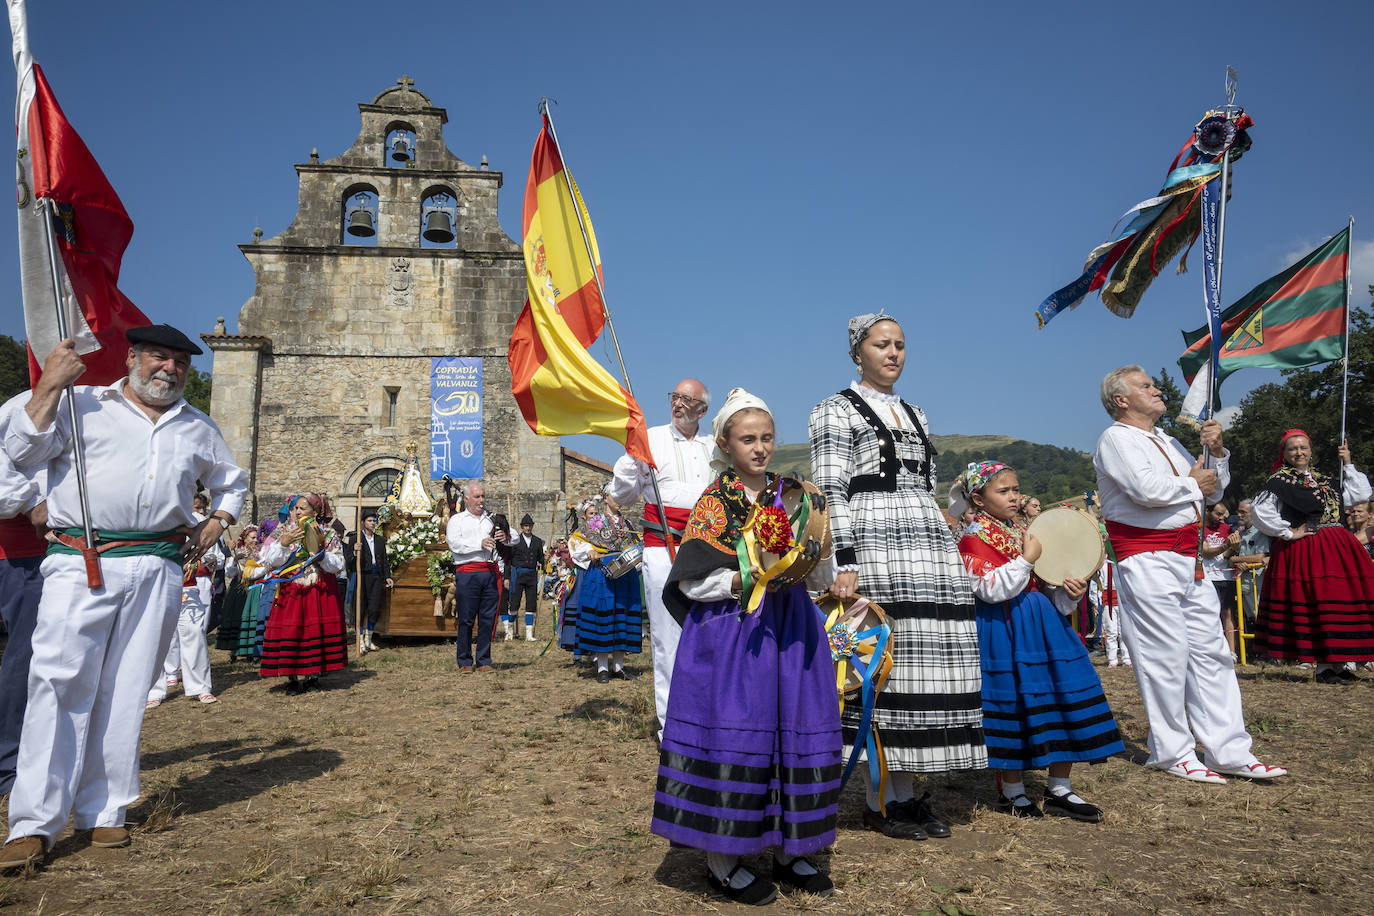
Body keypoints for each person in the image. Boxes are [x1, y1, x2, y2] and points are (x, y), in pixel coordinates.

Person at [1, 329, 247, 870]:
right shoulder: (79, 402)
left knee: (127, 686)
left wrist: (219, 519)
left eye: (181, 362)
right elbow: (15, 451)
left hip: (158, 566)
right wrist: (47, 388)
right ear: (132, 358)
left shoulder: (197, 426)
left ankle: (104, 809)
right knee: (58, 681)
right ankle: (33, 824)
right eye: (160, 356)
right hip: (80, 560)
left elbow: (233, 483)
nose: (170, 368)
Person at [652, 390, 839, 905]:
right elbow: (691, 582)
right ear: (727, 445)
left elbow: (818, 561)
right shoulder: (716, 503)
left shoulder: (796, 496)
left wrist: (825, 573)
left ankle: (790, 849)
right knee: (740, 732)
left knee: (792, 726)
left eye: (766, 438)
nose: (759, 448)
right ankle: (722, 860)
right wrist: (744, 576)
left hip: (792, 625)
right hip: (736, 631)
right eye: (747, 439)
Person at [808, 313, 984, 841]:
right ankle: (880, 799)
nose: (893, 353)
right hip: (875, 540)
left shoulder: (916, 412)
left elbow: (925, 484)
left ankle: (907, 795)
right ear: (856, 352)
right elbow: (829, 489)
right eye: (881, 344)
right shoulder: (834, 409)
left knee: (922, 663)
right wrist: (843, 561)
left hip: (925, 543)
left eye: (900, 345)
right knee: (884, 662)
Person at [1093, 365, 1284, 784]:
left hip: (1187, 557)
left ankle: (1229, 749)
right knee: (1165, 655)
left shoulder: (1169, 440)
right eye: (1147, 386)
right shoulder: (1116, 439)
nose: (1158, 390)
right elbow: (1146, 491)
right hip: (1146, 556)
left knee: (1211, 652)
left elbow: (1212, 489)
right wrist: (1192, 480)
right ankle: (1172, 750)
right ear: (1121, 400)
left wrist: (1217, 453)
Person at [951, 461, 1123, 822]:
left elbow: (1047, 587)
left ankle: (1060, 788)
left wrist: (1070, 594)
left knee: (1062, 696)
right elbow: (990, 589)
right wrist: (1027, 561)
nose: (1014, 496)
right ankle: (1012, 791)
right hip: (1003, 628)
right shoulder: (971, 540)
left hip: (1043, 622)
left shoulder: (1026, 531)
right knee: (1015, 703)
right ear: (979, 499)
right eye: (1004, 491)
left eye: (1016, 489)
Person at [606, 378, 714, 739]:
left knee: (708, 633)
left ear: (703, 409)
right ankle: (672, 727)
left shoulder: (716, 447)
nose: (678, 404)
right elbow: (623, 496)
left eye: (687, 399)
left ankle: (707, 718)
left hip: (706, 550)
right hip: (660, 548)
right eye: (674, 397)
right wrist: (625, 467)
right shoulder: (649, 438)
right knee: (667, 637)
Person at [1250, 431, 1374, 683]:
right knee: (1318, 601)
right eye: (1293, 449)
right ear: (1284, 454)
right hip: (1308, 550)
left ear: (1311, 449)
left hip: (1339, 548)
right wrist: (1288, 532)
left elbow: (1360, 495)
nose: (1299, 453)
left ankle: (1338, 663)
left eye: (1303, 447)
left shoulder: (1325, 479)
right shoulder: (1279, 481)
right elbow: (1260, 512)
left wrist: (1348, 462)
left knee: (1341, 599)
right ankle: (1324, 666)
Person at [258, 494, 348, 693]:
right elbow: (270, 560)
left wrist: (320, 556)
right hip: (291, 589)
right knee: (292, 630)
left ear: (315, 512)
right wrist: (283, 543)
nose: (297, 512)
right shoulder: (282, 532)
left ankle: (312, 676)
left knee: (313, 631)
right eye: (296, 508)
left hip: (319, 588)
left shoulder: (328, 534)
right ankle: (291, 677)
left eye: (303, 508)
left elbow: (339, 564)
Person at [0, 403, 45, 799]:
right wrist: (33, 504)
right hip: (23, 553)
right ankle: (8, 765)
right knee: (26, 656)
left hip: (78, 551)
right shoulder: (17, 408)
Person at [147, 496, 224, 708]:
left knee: (194, 633)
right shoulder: (151, 516)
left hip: (188, 587)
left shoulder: (198, 519)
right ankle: (153, 688)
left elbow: (215, 555)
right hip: (157, 584)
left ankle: (200, 686)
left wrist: (203, 558)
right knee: (156, 636)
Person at [568, 497, 644, 683]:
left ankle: (618, 666)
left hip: (625, 573)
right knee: (603, 616)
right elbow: (576, 540)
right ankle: (602, 667)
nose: (618, 501)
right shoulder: (595, 522)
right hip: (602, 572)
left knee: (622, 616)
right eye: (615, 497)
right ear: (606, 499)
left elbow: (637, 546)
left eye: (620, 497)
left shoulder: (627, 523)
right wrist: (589, 551)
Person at [446, 481, 506, 671]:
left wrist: (506, 538)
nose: (481, 500)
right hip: (468, 572)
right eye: (477, 496)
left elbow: (513, 538)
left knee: (488, 618)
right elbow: (455, 545)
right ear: (466, 499)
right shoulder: (457, 520)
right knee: (466, 618)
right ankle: (464, 661)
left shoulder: (490, 520)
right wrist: (478, 544)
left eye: (483, 496)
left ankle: (483, 660)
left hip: (489, 571)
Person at [344, 510, 392, 653]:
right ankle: (359, 640)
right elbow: (348, 559)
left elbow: (384, 560)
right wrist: (354, 550)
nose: (372, 523)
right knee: (360, 608)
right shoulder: (355, 539)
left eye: (373, 521)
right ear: (363, 523)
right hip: (361, 576)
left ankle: (368, 639)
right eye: (369, 521)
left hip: (375, 577)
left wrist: (387, 576)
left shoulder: (379, 540)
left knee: (374, 608)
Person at [1201, 501, 1240, 660]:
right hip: (1207, 576)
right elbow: (1206, 552)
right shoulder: (1201, 528)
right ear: (1208, 511)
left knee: (1228, 613)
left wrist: (1233, 547)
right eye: (1218, 514)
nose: (1221, 517)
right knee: (1209, 614)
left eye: (1223, 514)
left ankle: (1231, 652)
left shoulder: (1226, 528)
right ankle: (1211, 650)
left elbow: (1231, 551)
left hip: (1225, 576)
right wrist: (1226, 546)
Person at [1230, 499, 1271, 636]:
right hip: (1244, 585)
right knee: (1252, 619)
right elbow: (1229, 558)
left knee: (1262, 618)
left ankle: (1272, 653)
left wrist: (1236, 559)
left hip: (1257, 583)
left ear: (1253, 513)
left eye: (1243, 512)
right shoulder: (1239, 534)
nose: (1239, 515)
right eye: (1238, 511)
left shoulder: (1260, 531)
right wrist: (1234, 561)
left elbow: (1261, 556)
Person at [506, 514, 543, 641]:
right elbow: (508, 561)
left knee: (531, 604)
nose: (528, 528)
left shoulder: (537, 541)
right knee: (514, 603)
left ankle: (529, 634)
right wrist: (507, 577)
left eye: (530, 525)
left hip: (532, 575)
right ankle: (509, 631)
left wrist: (546, 559)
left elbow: (541, 559)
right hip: (518, 575)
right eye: (525, 526)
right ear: (522, 527)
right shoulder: (515, 541)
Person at [1095, 559, 1130, 667]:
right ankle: (1112, 660)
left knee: (1124, 631)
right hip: (1107, 601)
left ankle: (1127, 659)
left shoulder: (1123, 560)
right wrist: (1096, 600)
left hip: (1123, 600)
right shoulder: (1101, 563)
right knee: (1111, 632)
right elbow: (1095, 583)